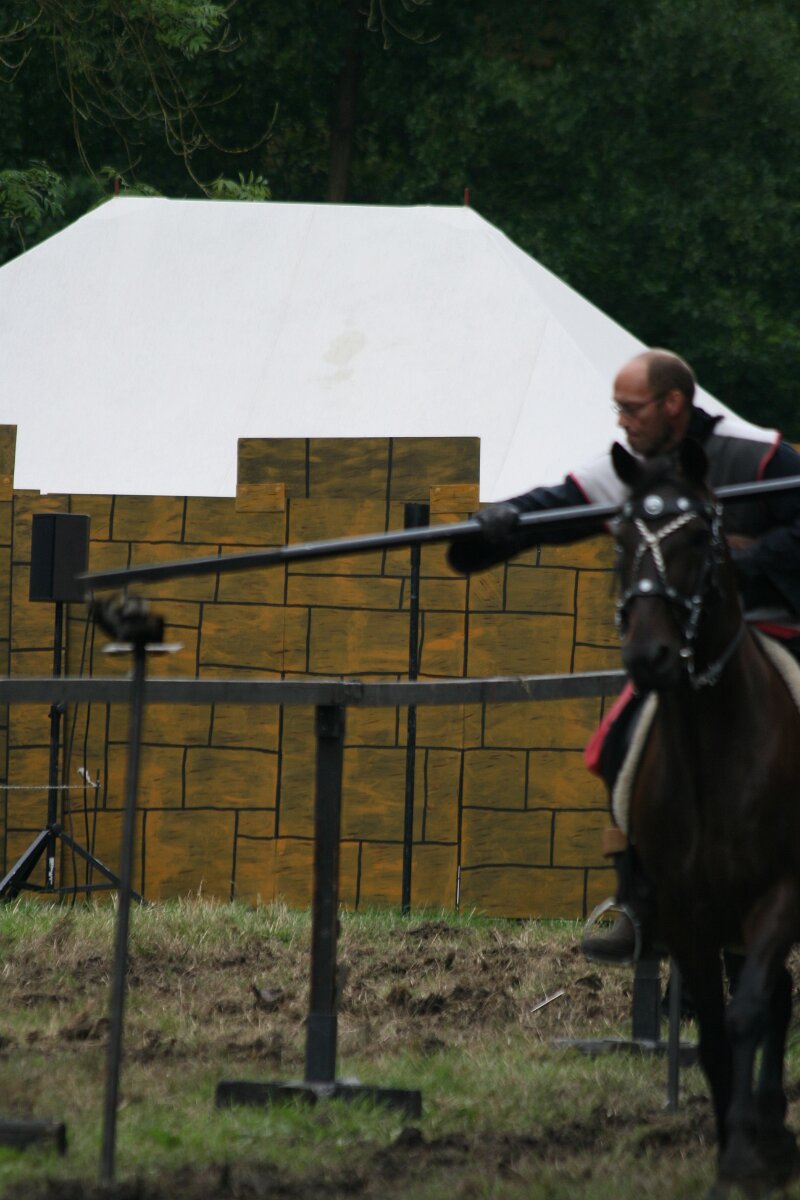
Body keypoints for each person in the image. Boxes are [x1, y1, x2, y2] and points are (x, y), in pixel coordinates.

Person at [448, 348, 800, 964]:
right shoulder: (630, 471)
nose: (622, 421)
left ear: (673, 404)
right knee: (617, 742)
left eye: (632, 408)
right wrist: (497, 525)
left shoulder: (761, 456)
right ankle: (642, 899)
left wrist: (737, 566)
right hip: (684, 651)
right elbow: (559, 506)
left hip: (771, 630)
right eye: (619, 408)